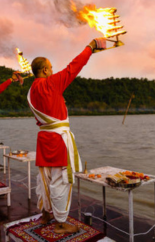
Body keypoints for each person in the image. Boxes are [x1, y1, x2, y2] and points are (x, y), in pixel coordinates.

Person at [27, 38, 106, 234]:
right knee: (61, 180)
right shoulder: (51, 84)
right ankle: (60, 222)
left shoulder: (31, 91)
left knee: (44, 178)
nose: (53, 71)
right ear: (45, 70)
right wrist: (90, 47)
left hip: (43, 139)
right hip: (58, 140)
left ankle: (46, 213)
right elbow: (74, 66)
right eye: (51, 68)